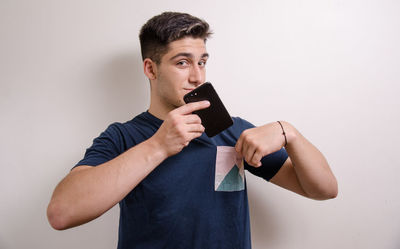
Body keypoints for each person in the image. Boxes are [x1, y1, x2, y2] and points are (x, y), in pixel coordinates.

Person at [47, 12, 338, 249]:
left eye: (202, 62)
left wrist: (289, 132)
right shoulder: (123, 136)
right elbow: (62, 213)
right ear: (151, 69)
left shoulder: (231, 130)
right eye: (182, 63)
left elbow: (324, 190)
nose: (197, 76)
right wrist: (159, 146)